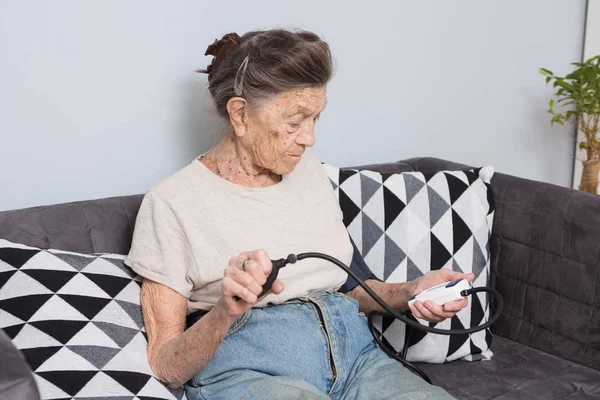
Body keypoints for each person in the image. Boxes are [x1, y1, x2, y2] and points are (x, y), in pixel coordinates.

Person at [126, 29, 472, 400]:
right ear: (240, 115)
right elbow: (165, 364)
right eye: (295, 122)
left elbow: (353, 288)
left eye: (315, 119)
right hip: (252, 372)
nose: (309, 138)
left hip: (359, 360)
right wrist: (225, 310)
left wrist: (413, 290)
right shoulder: (171, 202)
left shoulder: (310, 173)